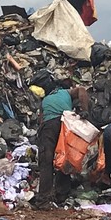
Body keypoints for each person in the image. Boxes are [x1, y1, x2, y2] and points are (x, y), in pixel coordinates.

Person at [32, 77, 89, 209]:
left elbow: (41, 120)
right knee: (64, 158)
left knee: (46, 162)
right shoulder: (65, 92)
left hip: (48, 126)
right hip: (65, 124)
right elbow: (82, 90)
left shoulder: (45, 100)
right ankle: (61, 195)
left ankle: (43, 201)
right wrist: (84, 110)